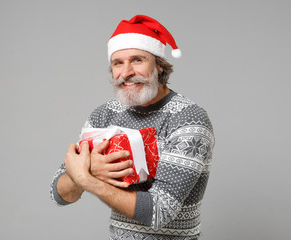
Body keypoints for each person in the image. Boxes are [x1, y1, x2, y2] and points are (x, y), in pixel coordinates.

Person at [50, 15, 215, 240]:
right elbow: (59, 194)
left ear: (159, 65)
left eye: (137, 60)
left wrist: (86, 177)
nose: (126, 72)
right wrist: (87, 171)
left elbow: (159, 211)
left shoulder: (188, 118)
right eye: (118, 62)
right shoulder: (104, 115)